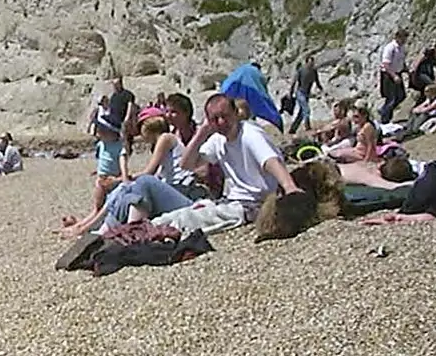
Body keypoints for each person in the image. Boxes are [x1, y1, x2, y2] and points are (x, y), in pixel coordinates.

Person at [61, 115, 205, 237]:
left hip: (185, 192)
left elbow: (149, 172)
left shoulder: (165, 138)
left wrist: (118, 180)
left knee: (133, 184)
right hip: (177, 191)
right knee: (125, 189)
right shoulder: (165, 142)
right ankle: (93, 227)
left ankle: (91, 228)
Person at [177, 93, 302, 223]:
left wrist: (289, 187)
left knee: (189, 219)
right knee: (181, 214)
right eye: (214, 119)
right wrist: (201, 133)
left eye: (225, 116)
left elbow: (270, 161)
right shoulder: (218, 140)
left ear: (236, 113)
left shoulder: (250, 134)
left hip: (254, 204)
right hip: (232, 201)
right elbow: (186, 164)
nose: (221, 122)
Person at [378, 31, 408, 124]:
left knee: (401, 96)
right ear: (398, 37)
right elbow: (386, 64)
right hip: (389, 74)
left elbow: (401, 61)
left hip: (397, 73)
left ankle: (385, 111)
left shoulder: (402, 48)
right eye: (403, 38)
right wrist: (394, 76)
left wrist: (406, 69)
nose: (404, 40)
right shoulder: (390, 48)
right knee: (391, 98)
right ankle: (384, 119)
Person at [408, 38, 436, 105]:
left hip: (429, 73)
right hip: (421, 72)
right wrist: (413, 70)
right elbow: (419, 60)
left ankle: (423, 103)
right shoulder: (429, 51)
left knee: (427, 90)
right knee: (431, 86)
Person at [290, 54, 324, 133]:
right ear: (306, 62)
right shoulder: (301, 70)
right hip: (300, 92)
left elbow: (317, 82)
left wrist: (322, 89)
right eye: (310, 63)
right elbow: (294, 82)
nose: (311, 64)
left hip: (307, 93)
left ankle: (293, 129)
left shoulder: (314, 71)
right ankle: (307, 127)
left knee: (302, 113)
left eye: (312, 63)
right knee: (307, 110)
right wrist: (290, 92)